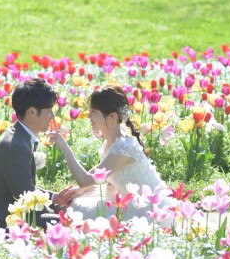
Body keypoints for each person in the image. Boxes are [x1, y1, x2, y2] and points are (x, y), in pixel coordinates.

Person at [49, 85, 174, 224]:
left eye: (93, 111)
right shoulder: (111, 145)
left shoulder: (124, 147)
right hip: (128, 198)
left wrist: (65, 148)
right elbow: (103, 183)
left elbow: (85, 179)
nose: (89, 116)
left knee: (79, 207)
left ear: (112, 117)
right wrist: (80, 190)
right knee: (79, 198)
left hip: (145, 207)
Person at [0, 78, 75, 229]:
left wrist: (55, 198)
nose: (52, 117)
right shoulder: (16, 145)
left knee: (66, 216)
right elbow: (27, 196)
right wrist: (55, 210)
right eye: (48, 111)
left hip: (4, 211)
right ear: (32, 112)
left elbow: (26, 189)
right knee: (70, 223)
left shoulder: (18, 136)